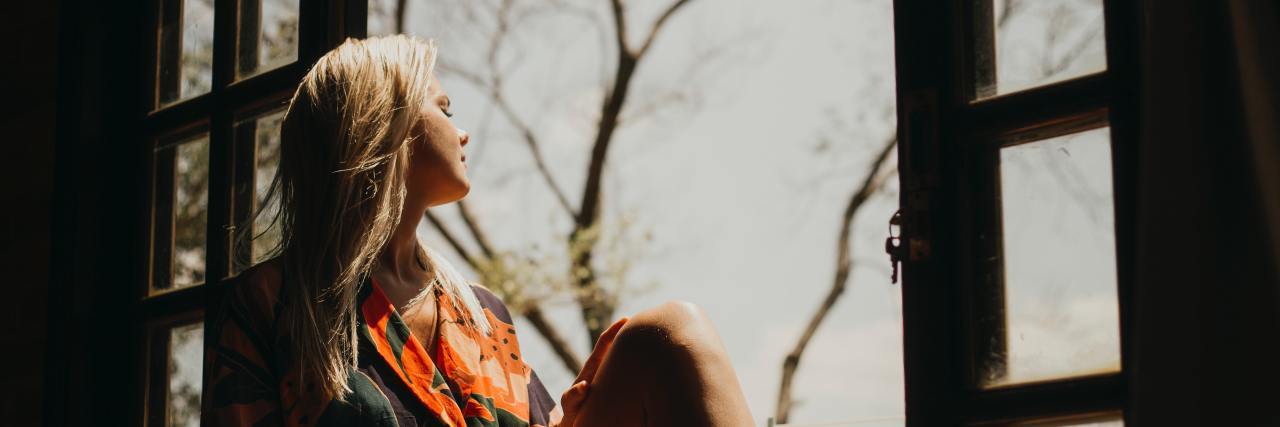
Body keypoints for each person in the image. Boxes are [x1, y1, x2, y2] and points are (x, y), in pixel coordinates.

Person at [204, 35, 754, 427]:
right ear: (383, 125)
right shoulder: (273, 304)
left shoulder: (483, 314)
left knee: (673, 333)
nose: (462, 131)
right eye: (445, 108)